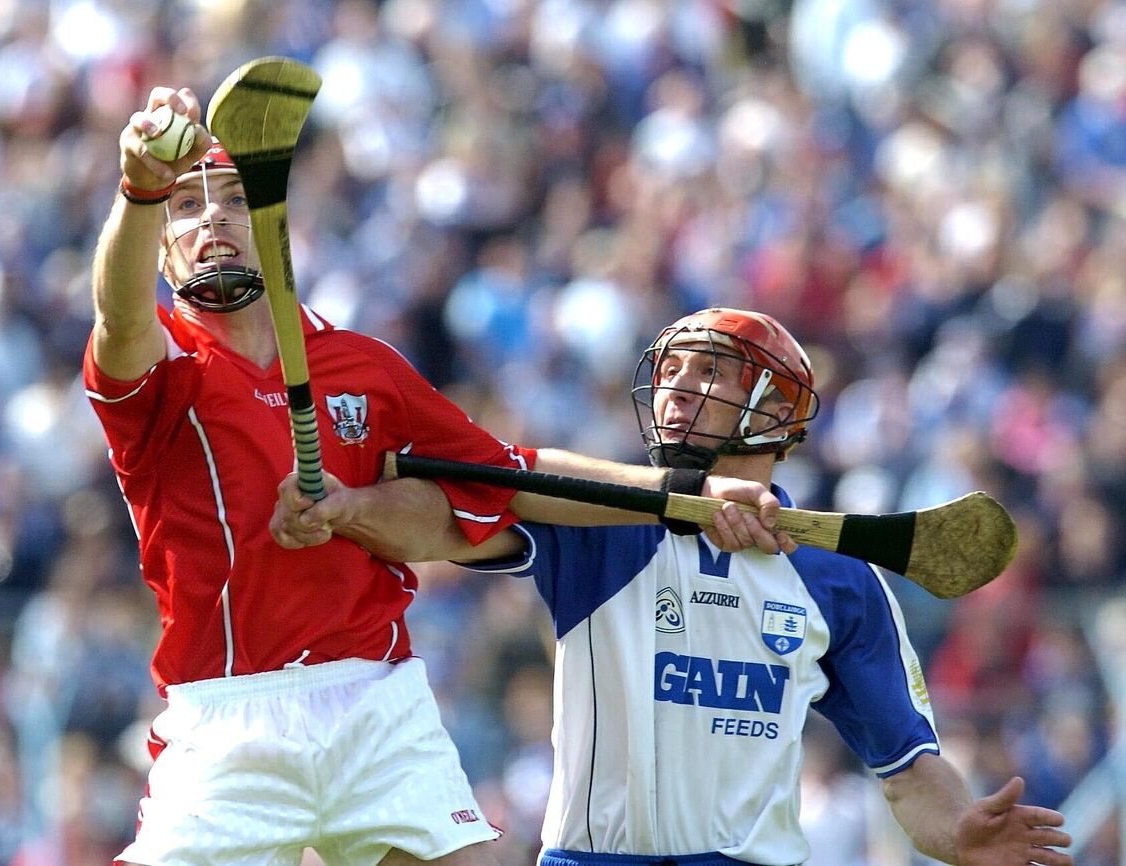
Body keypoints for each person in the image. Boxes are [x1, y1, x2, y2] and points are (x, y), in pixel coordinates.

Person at [87, 86, 783, 866]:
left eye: (236, 200)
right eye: (185, 207)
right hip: (229, 717)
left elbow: (515, 473)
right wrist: (141, 187)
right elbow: (119, 317)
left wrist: (688, 498)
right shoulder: (161, 369)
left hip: (374, 700)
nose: (211, 219)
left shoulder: (363, 366)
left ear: (275, 225)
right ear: (162, 247)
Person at [272, 308, 1074, 866]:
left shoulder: (842, 579)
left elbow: (907, 767)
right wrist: (352, 510)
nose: (678, 386)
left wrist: (957, 831)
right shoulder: (597, 522)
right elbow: (443, 527)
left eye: (711, 371)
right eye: (670, 369)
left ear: (778, 409)